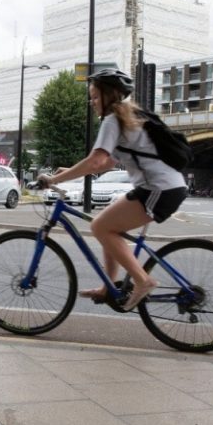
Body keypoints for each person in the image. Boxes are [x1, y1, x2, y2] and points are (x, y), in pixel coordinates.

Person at [37, 68, 187, 311]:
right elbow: (106, 162)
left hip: (158, 189)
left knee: (100, 227)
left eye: (95, 97)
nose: (92, 102)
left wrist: (56, 180)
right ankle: (109, 287)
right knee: (106, 222)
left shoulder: (112, 120)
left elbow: (96, 161)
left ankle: (143, 280)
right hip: (161, 187)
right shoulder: (127, 117)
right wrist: (67, 173)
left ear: (109, 96)